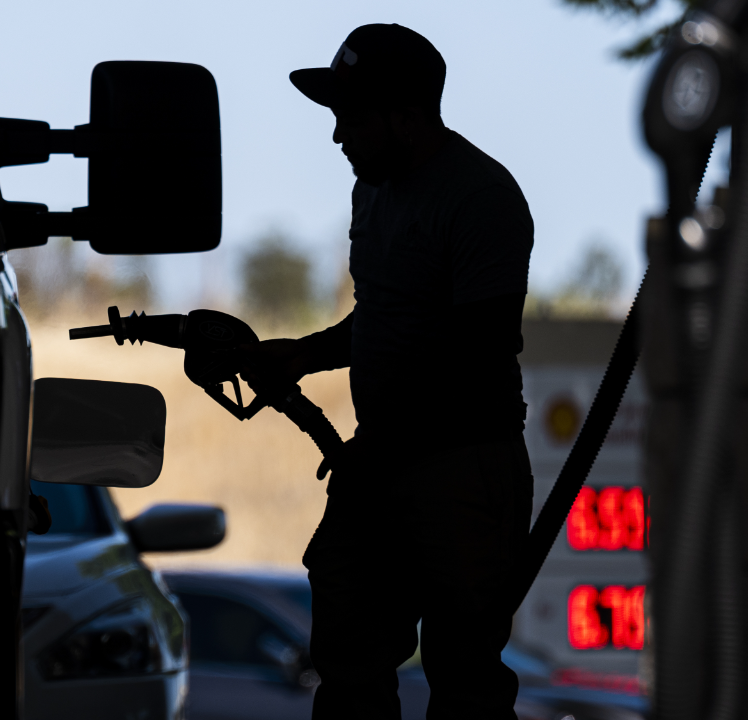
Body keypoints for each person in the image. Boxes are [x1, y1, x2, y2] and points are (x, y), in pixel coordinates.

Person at [239, 24, 535, 720]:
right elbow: (386, 316)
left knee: (464, 678)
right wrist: (305, 353)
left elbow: (478, 351)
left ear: (407, 115)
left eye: (354, 118)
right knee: (347, 654)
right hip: (383, 462)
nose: (339, 136)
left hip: (463, 471)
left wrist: (382, 443)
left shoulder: (481, 199)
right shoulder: (372, 189)